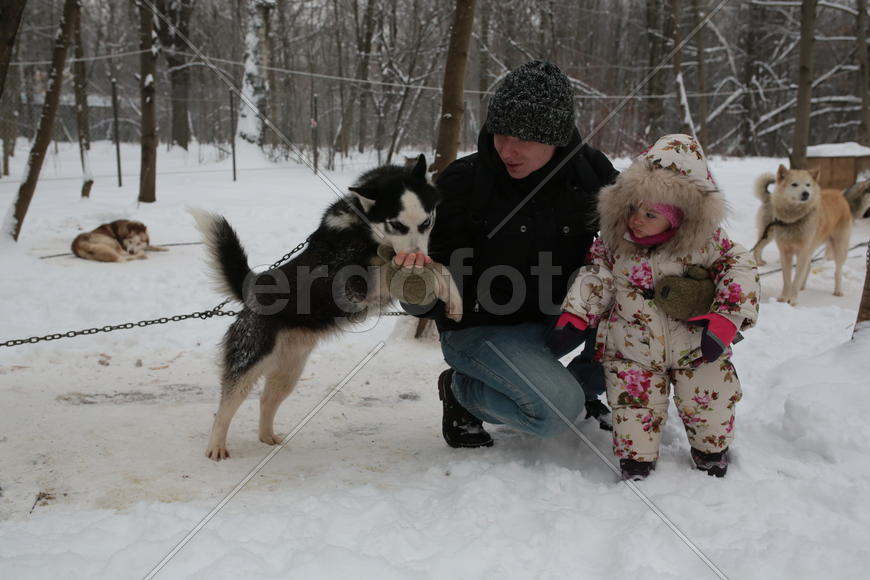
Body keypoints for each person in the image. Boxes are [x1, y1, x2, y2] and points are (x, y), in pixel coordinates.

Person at [395, 60, 618, 448]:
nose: (508, 150)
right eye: (500, 134)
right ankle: (463, 393)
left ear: (556, 138)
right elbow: (439, 288)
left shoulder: (590, 175)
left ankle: (580, 388)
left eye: (524, 139)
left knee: (652, 329)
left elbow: (646, 231)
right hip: (482, 329)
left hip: (561, 319)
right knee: (555, 411)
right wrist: (417, 286)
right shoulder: (464, 183)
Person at [547, 134, 760, 480]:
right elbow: (596, 276)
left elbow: (740, 270)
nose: (636, 220)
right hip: (633, 350)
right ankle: (636, 460)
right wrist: (575, 314)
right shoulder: (616, 246)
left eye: (650, 214)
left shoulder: (708, 244)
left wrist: (725, 318)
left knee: (709, 400)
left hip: (697, 346)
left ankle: (712, 451)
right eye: (632, 208)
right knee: (633, 406)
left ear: (679, 217)